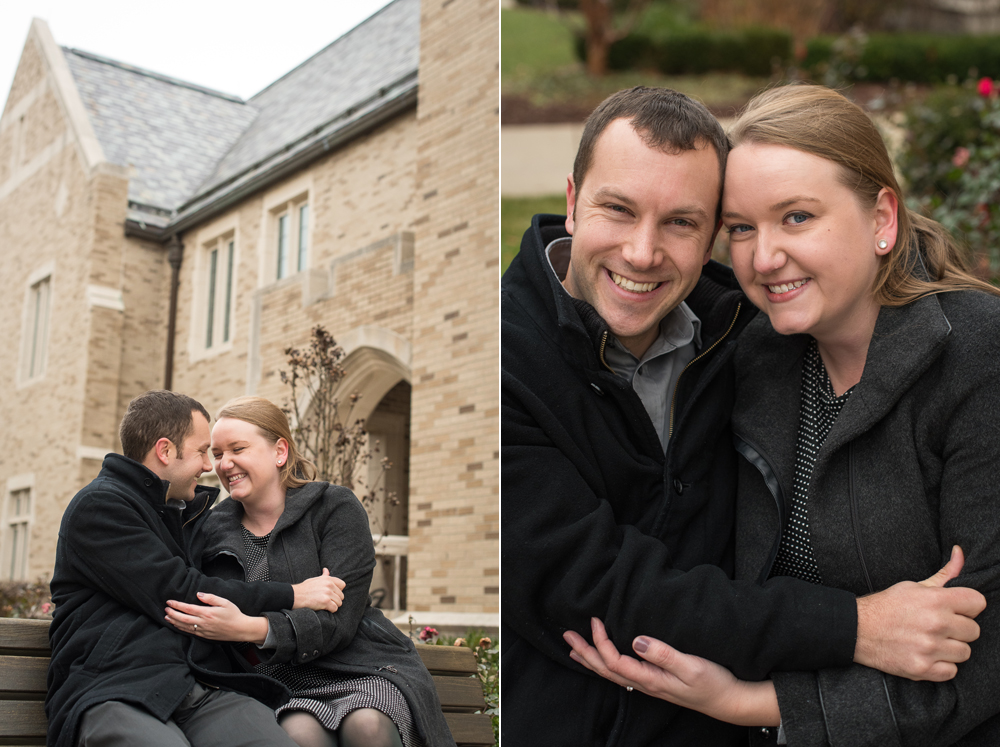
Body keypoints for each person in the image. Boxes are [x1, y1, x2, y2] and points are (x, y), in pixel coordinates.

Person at [501, 85, 988, 746]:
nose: (763, 257)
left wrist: (753, 702)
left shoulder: (742, 339)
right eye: (744, 228)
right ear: (572, 203)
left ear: (882, 218)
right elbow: (600, 583)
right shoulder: (756, 350)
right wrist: (854, 626)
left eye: (796, 217)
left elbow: (982, 658)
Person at [47, 389, 347, 747]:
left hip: (200, 688)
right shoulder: (100, 506)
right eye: (205, 452)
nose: (210, 467)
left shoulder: (181, 515)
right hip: (115, 688)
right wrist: (295, 594)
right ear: (165, 451)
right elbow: (183, 591)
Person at [161, 396, 455, 747]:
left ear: (280, 451)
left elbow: (339, 621)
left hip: (359, 668)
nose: (225, 464)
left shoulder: (334, 508)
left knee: (368, 726)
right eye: (219, 453)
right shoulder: (208, 528)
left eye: (238, 448)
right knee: (300, 733)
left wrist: (250, 627)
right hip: (277, 681)